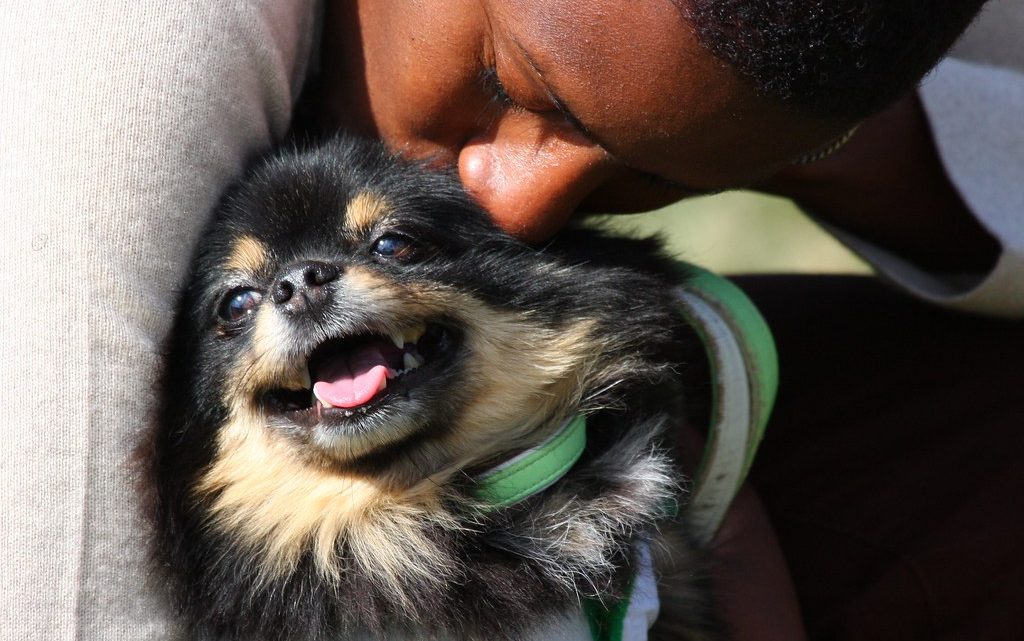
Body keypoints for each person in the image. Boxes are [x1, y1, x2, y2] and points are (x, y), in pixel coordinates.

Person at [1, 1, 1020, 639]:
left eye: (645, 175)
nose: (517, 206)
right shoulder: (109, 76)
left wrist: (813, 134)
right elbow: (52, 582)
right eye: (507, 84)